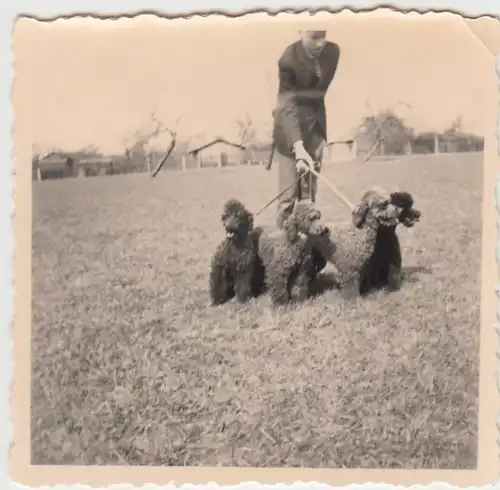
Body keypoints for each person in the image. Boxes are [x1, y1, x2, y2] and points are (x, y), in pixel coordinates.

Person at [271, 30, 341, 229]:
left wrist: (313, 141)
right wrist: (298, 147)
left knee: (308, 198)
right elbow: (287, 105)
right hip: (288, 132)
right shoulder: (288, 59)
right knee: (288, 199)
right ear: (301, 31)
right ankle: (282, 254)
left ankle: (307, 252)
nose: (320, 43)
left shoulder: (333, 53)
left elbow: (317, 94)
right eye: (313, 37)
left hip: (315, 130)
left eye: (323, 35)